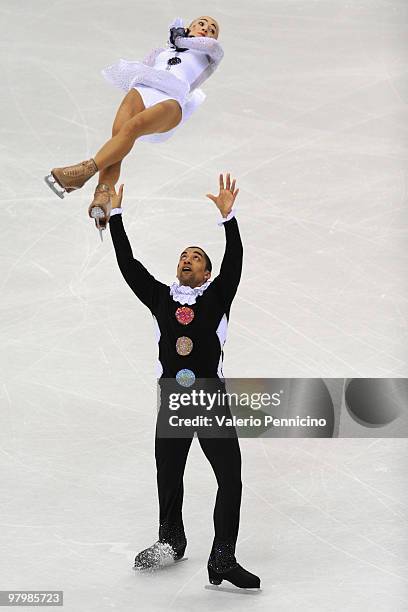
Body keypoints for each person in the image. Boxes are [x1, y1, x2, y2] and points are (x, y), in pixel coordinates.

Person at [109, 173, 260, 589]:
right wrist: (116, 215)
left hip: (211, 400)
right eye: (183, 256)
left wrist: (228, 219)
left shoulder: (217, 297)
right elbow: (129, 266)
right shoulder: (160, 298)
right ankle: (171, 540)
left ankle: (223, 559)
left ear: (207, 272)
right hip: (173, 400)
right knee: (168, 474)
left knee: (230, 479)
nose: (187, 259)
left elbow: (235, 262)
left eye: (195, 257)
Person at [44, 16, 224, 236]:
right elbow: (144, 66)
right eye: (201, 24)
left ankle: (84, 171)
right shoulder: (162, 51)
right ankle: (103, 196)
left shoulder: (211, 53)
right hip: (143, 89)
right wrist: (174, 40)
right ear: (190, 27)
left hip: (171, 100)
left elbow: (202, 44)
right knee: (118, 137)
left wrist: (178, 36)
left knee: (133, 127)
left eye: (212, 29)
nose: (207, 29)